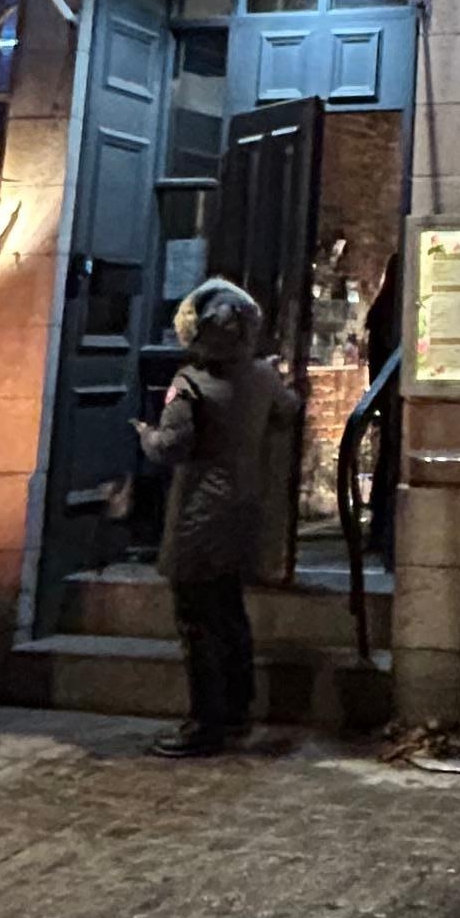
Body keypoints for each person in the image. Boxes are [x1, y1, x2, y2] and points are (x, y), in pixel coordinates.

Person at [136, 277, 298, 755]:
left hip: (199, 515)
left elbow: (171, 447)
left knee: (196, 619)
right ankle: (237, 711)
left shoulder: (190, 384)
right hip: (243, 509)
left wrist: (145, 435)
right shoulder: (264, 376)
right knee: (230, 612)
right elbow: (288, 411)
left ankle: (203, 723)